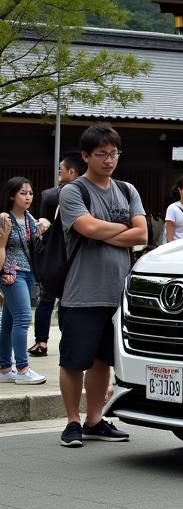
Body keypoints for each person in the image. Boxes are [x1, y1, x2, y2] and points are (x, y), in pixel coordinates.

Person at [57, 124, 147, 449]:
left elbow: (143, 235)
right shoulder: (73, 192)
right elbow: (87, 227)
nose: (109, 160)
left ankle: (94, 419)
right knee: (73, 361)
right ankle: (72, 422)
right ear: (85, 156)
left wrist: (103, 230)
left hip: (117, 294)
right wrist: (121, 227)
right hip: (81, 293)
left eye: (114, 154)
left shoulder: (126, 190)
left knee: (102, 362)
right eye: (101, 154)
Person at [30, 151, 86, 357]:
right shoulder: (51, 195)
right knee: (52, 298)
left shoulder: (55, 194)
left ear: (72, 171)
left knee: (56, 298)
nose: (59, 171)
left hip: (67, 255)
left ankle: (45, 341)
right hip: (60, 254)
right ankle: (48, 341)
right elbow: (43, 225)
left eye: (61, 168)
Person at [0, 177, 50, 385]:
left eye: (30, 193)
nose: (28, 197)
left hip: (28, 273)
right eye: (23, 193)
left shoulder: (29, 218)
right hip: (11, 273)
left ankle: (4, 368)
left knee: (8, 321)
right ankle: (22, 369)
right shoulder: (4, 218)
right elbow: (2, 248)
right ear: (12, 195)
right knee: (22, 318)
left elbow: (36, 241)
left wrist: (45, 224)